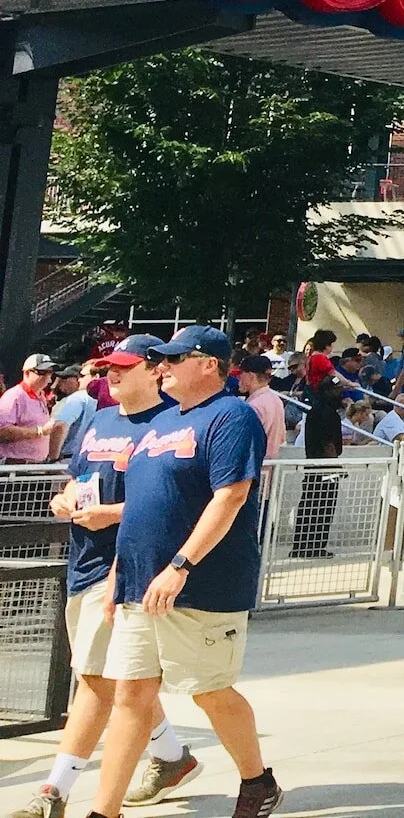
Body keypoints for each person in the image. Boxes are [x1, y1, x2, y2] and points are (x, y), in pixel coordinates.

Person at [86, 325, 280, 818]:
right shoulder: (160, 423)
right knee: (131, 694)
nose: (162, 367)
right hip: (138, 583)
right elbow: (145, 505)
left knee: (209, 690)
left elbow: (231, 495)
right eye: (160, 360)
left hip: (199, 586)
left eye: (174, 358)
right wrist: (118, 571)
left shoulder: (231, 416)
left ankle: (257, 781)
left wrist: (181, 565)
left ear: (209, 364)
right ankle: (103, 811)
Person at [25, 337, 195, 818]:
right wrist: (66, 498)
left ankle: (53, 791)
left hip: (126, 566)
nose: (111, 374)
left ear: (154, 369)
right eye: (107, 367)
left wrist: (113, 514)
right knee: (117, 679)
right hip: (82, 561)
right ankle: (171, 755)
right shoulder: (100, 420)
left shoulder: (169, 424)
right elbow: (78, 478)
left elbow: (174, 502)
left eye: (122, 366)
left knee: (96, 682)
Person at [0, 354, 57, 464]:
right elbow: (2, 431)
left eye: (50, 372)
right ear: (27, 373)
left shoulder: (41, 396)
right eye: (42, 372)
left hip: (35, 467)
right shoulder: (14, 396)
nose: (48, 376)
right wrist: (40, 431)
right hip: (15, 469)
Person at [232, 355, 287, 464]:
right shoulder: (276, 400)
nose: (238, 378)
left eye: (241, 374)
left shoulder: (254, 406)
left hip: (254, 468)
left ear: (250, 376)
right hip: (272, 467)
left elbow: (244, 442)